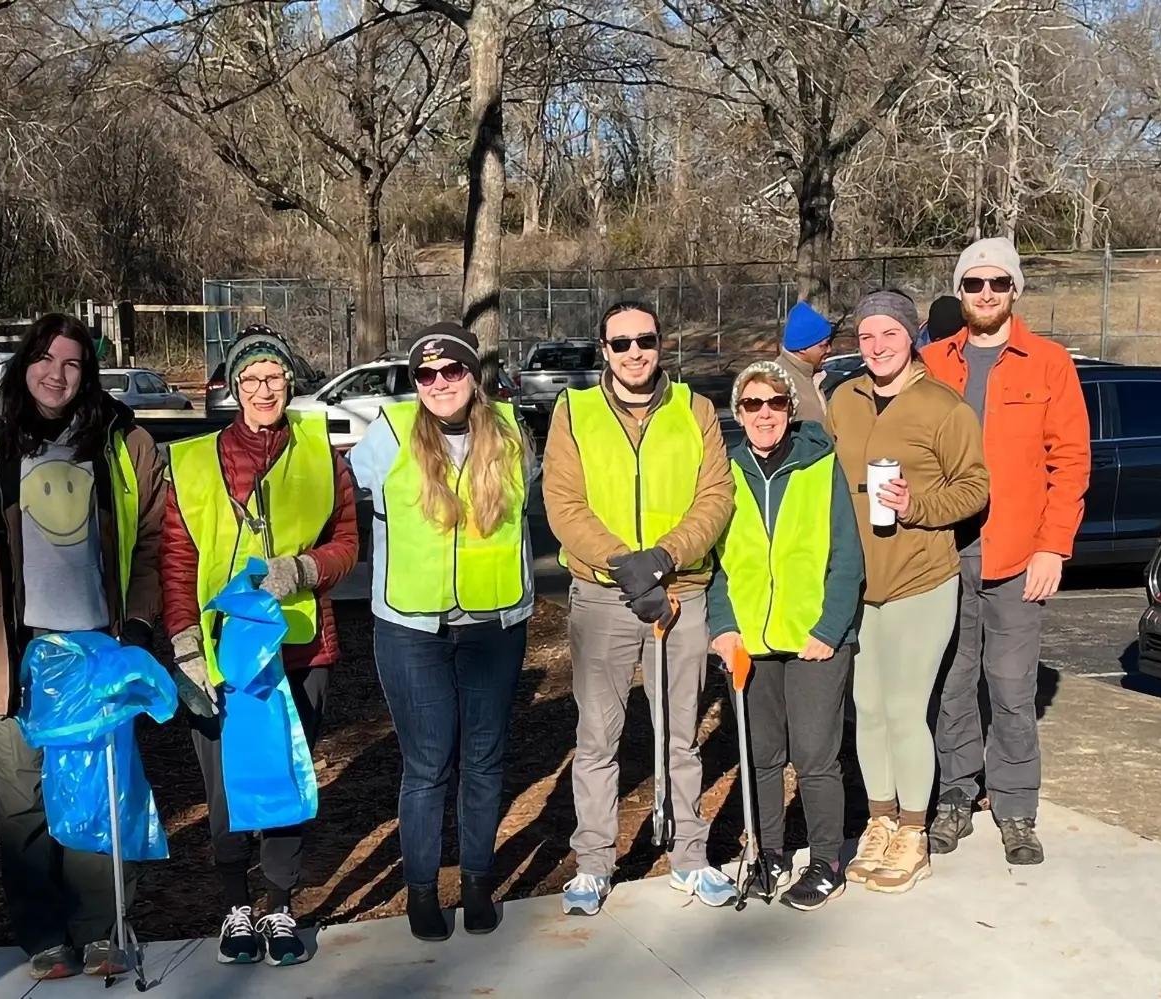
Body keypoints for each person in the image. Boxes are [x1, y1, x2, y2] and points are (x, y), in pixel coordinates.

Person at [0, 313, 167, 980]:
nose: (57, 373)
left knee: (96, 791)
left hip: (96, 645)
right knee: (23, 797)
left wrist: (140, 624)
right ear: (24, 362)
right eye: (45, 358)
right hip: (12, 650)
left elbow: (151, 539)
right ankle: (43, 932)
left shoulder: (124, 442)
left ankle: (100, 930)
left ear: (87, 372)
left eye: (72, 362)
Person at [162, 327, 359, 966]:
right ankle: (234, 907)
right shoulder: (191, 461)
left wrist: (302, 569)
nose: (263, 390)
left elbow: (347, 544)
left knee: (285, 779)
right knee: (223, 784)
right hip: (220, 654)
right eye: (250, 380)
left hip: (301, 648)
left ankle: (278, 906)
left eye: (273, 376)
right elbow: (174, 560)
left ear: (289, 382)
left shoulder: (321, 456)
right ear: (233, 388)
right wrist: (185, 646)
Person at [542, 301, 736, 916]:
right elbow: (563, 503)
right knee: (598, 737)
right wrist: (625, 564)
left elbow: (716, 496)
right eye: (620, 343)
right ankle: (594, 863)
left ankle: (690, 856)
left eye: (644, 340)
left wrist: (664, 559)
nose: (634, 353)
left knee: (681, 734)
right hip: (602, 595)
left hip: (680, 591)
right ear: (604, 349)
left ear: (661, 344)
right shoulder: (573, 412)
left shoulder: (695, 409)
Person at [347, 321, 534, 942]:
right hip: (410, 627)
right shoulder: (389, 434)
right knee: (427, 765)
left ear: (472, 374)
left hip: (494, 622)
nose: (438, 384)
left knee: (484, 760)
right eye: (425, 375)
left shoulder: (509, 432)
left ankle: (477, 880)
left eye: (451, 370)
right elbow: (333, 500)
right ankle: (423, 890)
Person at [922, 238, 1091, 865]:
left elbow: (1070, 463)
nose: (986, 294)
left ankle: (1017, 807)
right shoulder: (931, 362)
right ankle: (955, 797)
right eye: (974, 284)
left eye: (997, 283)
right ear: (960, 292)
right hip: (942, 554)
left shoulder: (1048, 363)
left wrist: (1054, 548)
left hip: (1020, 555)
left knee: (1013, 687)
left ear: (1015, 290)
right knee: (952, 682)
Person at [827, 290, 988, 894]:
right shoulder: (846, 399)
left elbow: (974, 488)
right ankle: (879, 821)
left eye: (887, 335)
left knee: (903, 708)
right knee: (866, 709)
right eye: (866, 337)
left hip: (922, 579)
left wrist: (918, 506)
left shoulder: (942, 406)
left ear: (910, 336)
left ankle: (914, 831)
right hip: (860, 584)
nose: (876, 346)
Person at [707, 360, 864, 910]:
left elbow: (847, 557)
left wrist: (830, 626)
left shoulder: (821, 465)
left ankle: (826, 861)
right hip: (751, 640)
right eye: (752, 405)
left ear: (790, 410)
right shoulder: (726, 472)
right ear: (739, 412)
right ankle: (769, 851)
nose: (764, 414)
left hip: (815, 639)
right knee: (763, 754)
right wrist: (723, 628)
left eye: (775, 403)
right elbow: (718, 565)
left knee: (816, 756)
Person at [776, 300, 834, 425]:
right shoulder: (780, 381)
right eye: (823, 345)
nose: (829, 350)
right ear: (802, 348)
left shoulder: (809, 375)